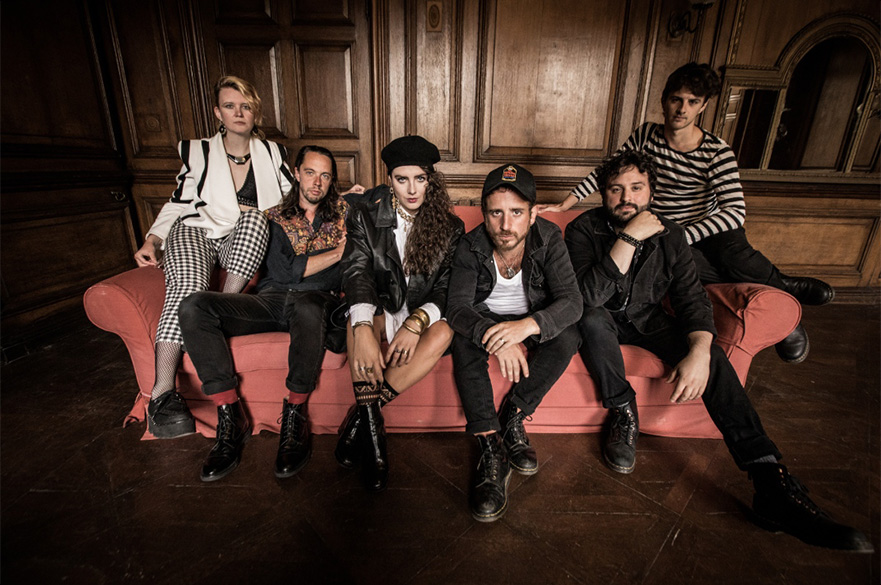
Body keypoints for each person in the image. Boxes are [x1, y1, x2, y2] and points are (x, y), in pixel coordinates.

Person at [564, 149, 872, 552]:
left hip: (647, 318)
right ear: (602, 194)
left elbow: (692, 298)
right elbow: (588, 297)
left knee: (712, 357)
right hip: (599, 318)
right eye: (616, 189)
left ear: (652, 192)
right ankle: (623, 411)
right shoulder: (581, 228)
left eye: (637, 188)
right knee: (590, 320)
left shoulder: (672, 235)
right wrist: (628, 237)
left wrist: (700, 349)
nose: (627, 198)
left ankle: (770, 482)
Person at [540, 62, 833, 364]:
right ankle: (780, 298)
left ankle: (787, 304)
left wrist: (682, 234)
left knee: (736, 256)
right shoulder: (647, 135)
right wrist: (566, 203)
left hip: (711, 228)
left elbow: (734, 213)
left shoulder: (717, 151)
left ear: (703, 106)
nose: (682, 109)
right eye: (676, 99)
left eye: (692, 102)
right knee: (706, 277)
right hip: (666, 228)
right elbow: (609, 171)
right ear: (664, 101)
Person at [134, 76, 293, 439]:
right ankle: (161, 394)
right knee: (188, 287)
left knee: (256, 217)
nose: (239, 112)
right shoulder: (198, 150)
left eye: (246, 105)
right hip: (197, 231)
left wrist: (343, 197)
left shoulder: (273, 153)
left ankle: (222, 308)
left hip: (243, 237)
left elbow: (295, 196)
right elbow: (178, 201)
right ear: (218, 112)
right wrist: (153, 239)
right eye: (230, 105)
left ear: (256, 112)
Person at [177, 145, 349, 481]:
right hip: (269, 300)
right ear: (296, 173)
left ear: (332, 181)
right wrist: (339, 252)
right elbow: (283, 273)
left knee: (308, 303)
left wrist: (316, 266)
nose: (317, 182)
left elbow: (338, 273)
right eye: (311, 172)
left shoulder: (346, 214)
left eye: (325, 175)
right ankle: (230, 416)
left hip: (317, 302)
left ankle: (295, 415)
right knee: (195, 305)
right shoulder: (272, 218)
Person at [447, 164, 582, 522]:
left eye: (517, 213)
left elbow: (572, 301)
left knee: (569, 333)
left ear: (533, 214)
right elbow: (458, 308)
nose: (506, 225)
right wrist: (496, 337)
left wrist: (526, 327)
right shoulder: (470, 245)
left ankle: (514, 415)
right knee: (462, 341)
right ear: (484, 214)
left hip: (528, 320)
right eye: (497, 213)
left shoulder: (550, 238)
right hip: (485, 320)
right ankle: (491, 445)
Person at [336, 135, 464, 492]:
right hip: (377, 307)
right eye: (401, 179)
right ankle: (377, 447)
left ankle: (362, 419)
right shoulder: (364, 212)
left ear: (431, 180)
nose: (411, 189)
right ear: (389, 179)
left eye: (420, 179)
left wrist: (415, 321)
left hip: (419, 315)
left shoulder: (451, 227)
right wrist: (362, 327)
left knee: (446, 330)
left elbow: (446, 288)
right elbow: (357, 270)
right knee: (360, 319)